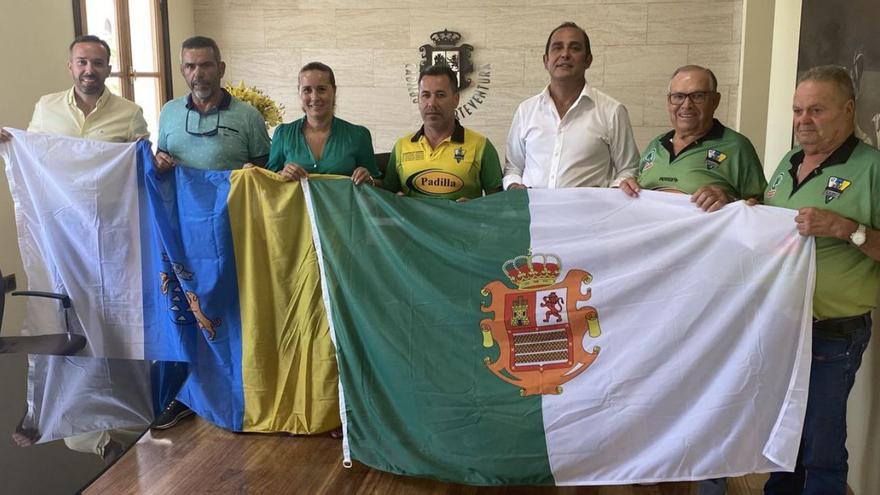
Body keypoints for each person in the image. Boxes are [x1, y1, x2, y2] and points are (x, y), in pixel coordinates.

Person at [1, 35, 149, 461]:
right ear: (71, 66)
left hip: (110, 236)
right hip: (59, 236)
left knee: (114, 315)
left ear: (108, 67)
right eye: (83, 62)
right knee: (61, 315)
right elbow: (36, 156)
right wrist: (10, 142)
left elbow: (139, 164)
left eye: (98, 63)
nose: (90, 69)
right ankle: (59, 409)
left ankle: (123, 415)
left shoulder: (130, 114)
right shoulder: (46, 108)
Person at [762, 65, 880, 495]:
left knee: (821, 448)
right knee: (784, 436)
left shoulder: (872, 168)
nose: (803, 120)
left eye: (816, 109)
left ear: (848, 110)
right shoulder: (789, 162)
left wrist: (846, 228)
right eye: (797, 110)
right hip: (784, 326)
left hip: (833, 332)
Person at [504, 22, 638, 190]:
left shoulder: (612, 111)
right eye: (557, 47)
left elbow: (628, 169)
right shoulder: (526, 110)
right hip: (534, 214)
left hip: (589, 214)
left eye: (574, 48)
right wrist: (513, 185)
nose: (565, 54)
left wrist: (612, 194)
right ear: (546, 61)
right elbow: (513, 167)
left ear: (588, 60)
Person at [619, 65, 766, 212]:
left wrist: (729, 200)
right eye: (678, 97)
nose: (687, 105)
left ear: (715, 100)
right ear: (669, 102)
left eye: (698, 96)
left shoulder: (737, 147)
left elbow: (762, 208)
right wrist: (629, 188)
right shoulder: (655, 145)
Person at [383, 64, 502, 201]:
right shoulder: (401, 146)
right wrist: (395, 199)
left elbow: (498, 205)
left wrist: (475, 209)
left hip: (461, 223)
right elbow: (386, 201)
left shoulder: (481, 146)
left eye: (440, 95)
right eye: (425, 95)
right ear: (419, 100)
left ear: (455, 99)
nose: (432, 103)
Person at [154, 36, 270, 172]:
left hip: (232, 193)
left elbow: (266, 174)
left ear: (221, 69)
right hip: (180, 193)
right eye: (190, 66)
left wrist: (254, 171)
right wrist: (158, 162)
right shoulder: (169, 111)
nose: (198, 74)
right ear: (182, 71)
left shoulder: (249, 116)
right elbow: (160, 159)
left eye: (206, 65)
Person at [262, 62, 379, 186]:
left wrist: (369, 180)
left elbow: (381, 188)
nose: (314, 97)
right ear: (299, 93)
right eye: (307, 90)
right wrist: (281, 175)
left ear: (334, 91)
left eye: (321, 89)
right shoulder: (283, 134)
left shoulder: (359, 135)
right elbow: (267, 184)